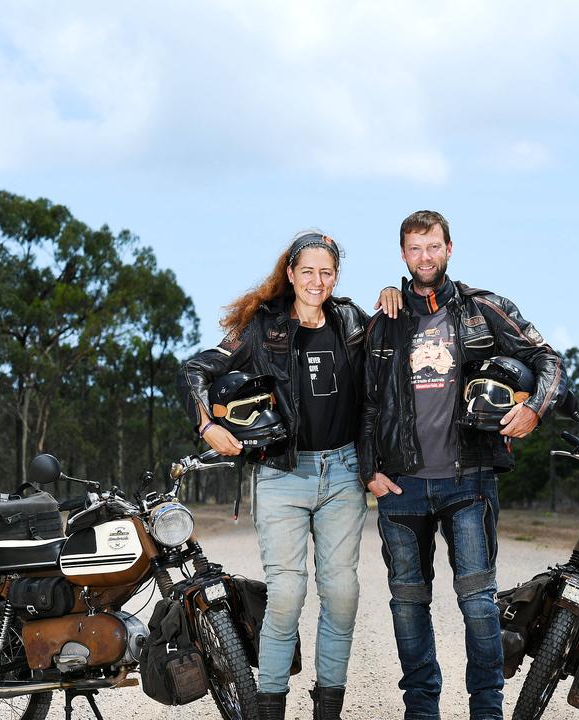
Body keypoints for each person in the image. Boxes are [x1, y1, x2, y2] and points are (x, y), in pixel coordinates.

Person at [177, 230, 399, 720]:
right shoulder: (262, 328)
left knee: (342, 594)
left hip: (342, 472)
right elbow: (196, 369)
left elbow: (391, 346)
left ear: (335, 276)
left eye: (326, 272)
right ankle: (270, 708)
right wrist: (206, 423)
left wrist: (392, 292)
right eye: (307, 271)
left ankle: (327, 710)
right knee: (287, 594)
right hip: (282, 474)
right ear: (291, 273)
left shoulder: (351, 321)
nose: (316, 281)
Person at [358, 210, 564, 720]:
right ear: (403, 255)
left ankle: (486, 710)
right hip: (401, 486)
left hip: (468, 480)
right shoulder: (384, 317)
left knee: (478, 604)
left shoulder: (484, 309)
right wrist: (368, 469)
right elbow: (364, 403)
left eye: (433, 247)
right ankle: (421, 709)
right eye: (414, 249)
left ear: (449, 248)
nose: (424, 257)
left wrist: (533, 409)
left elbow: (549, 360)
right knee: (408, 606)